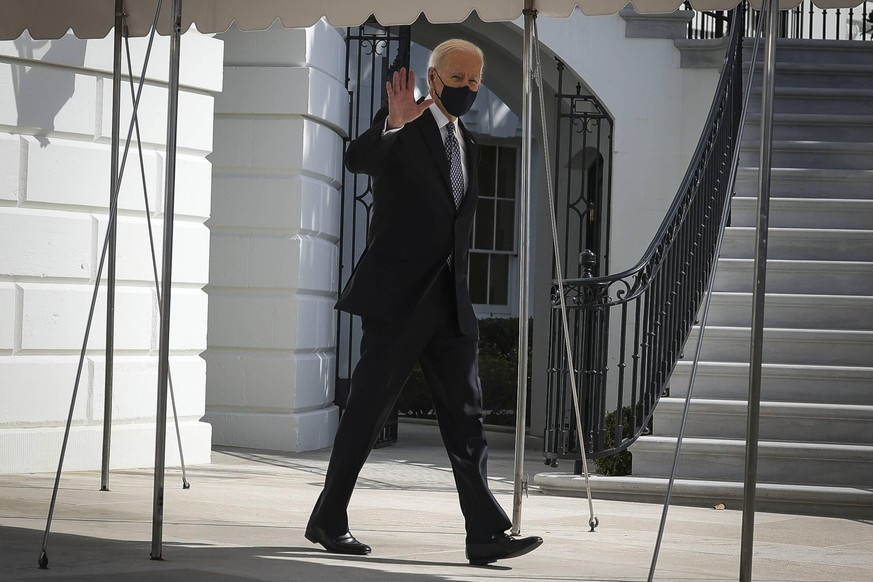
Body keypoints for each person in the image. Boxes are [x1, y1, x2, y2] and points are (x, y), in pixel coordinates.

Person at [305, 38, 542, 566]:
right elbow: (357, 159)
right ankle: (328, 518)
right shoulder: (403, 124)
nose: (469, 89)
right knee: (366, 413)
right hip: (398, 302)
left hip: (451, 306)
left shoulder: (471, 145)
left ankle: (485, 533)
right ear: (434, 78)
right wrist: (392, 124)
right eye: (459, 79)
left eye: (476, 81)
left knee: (468, 421)